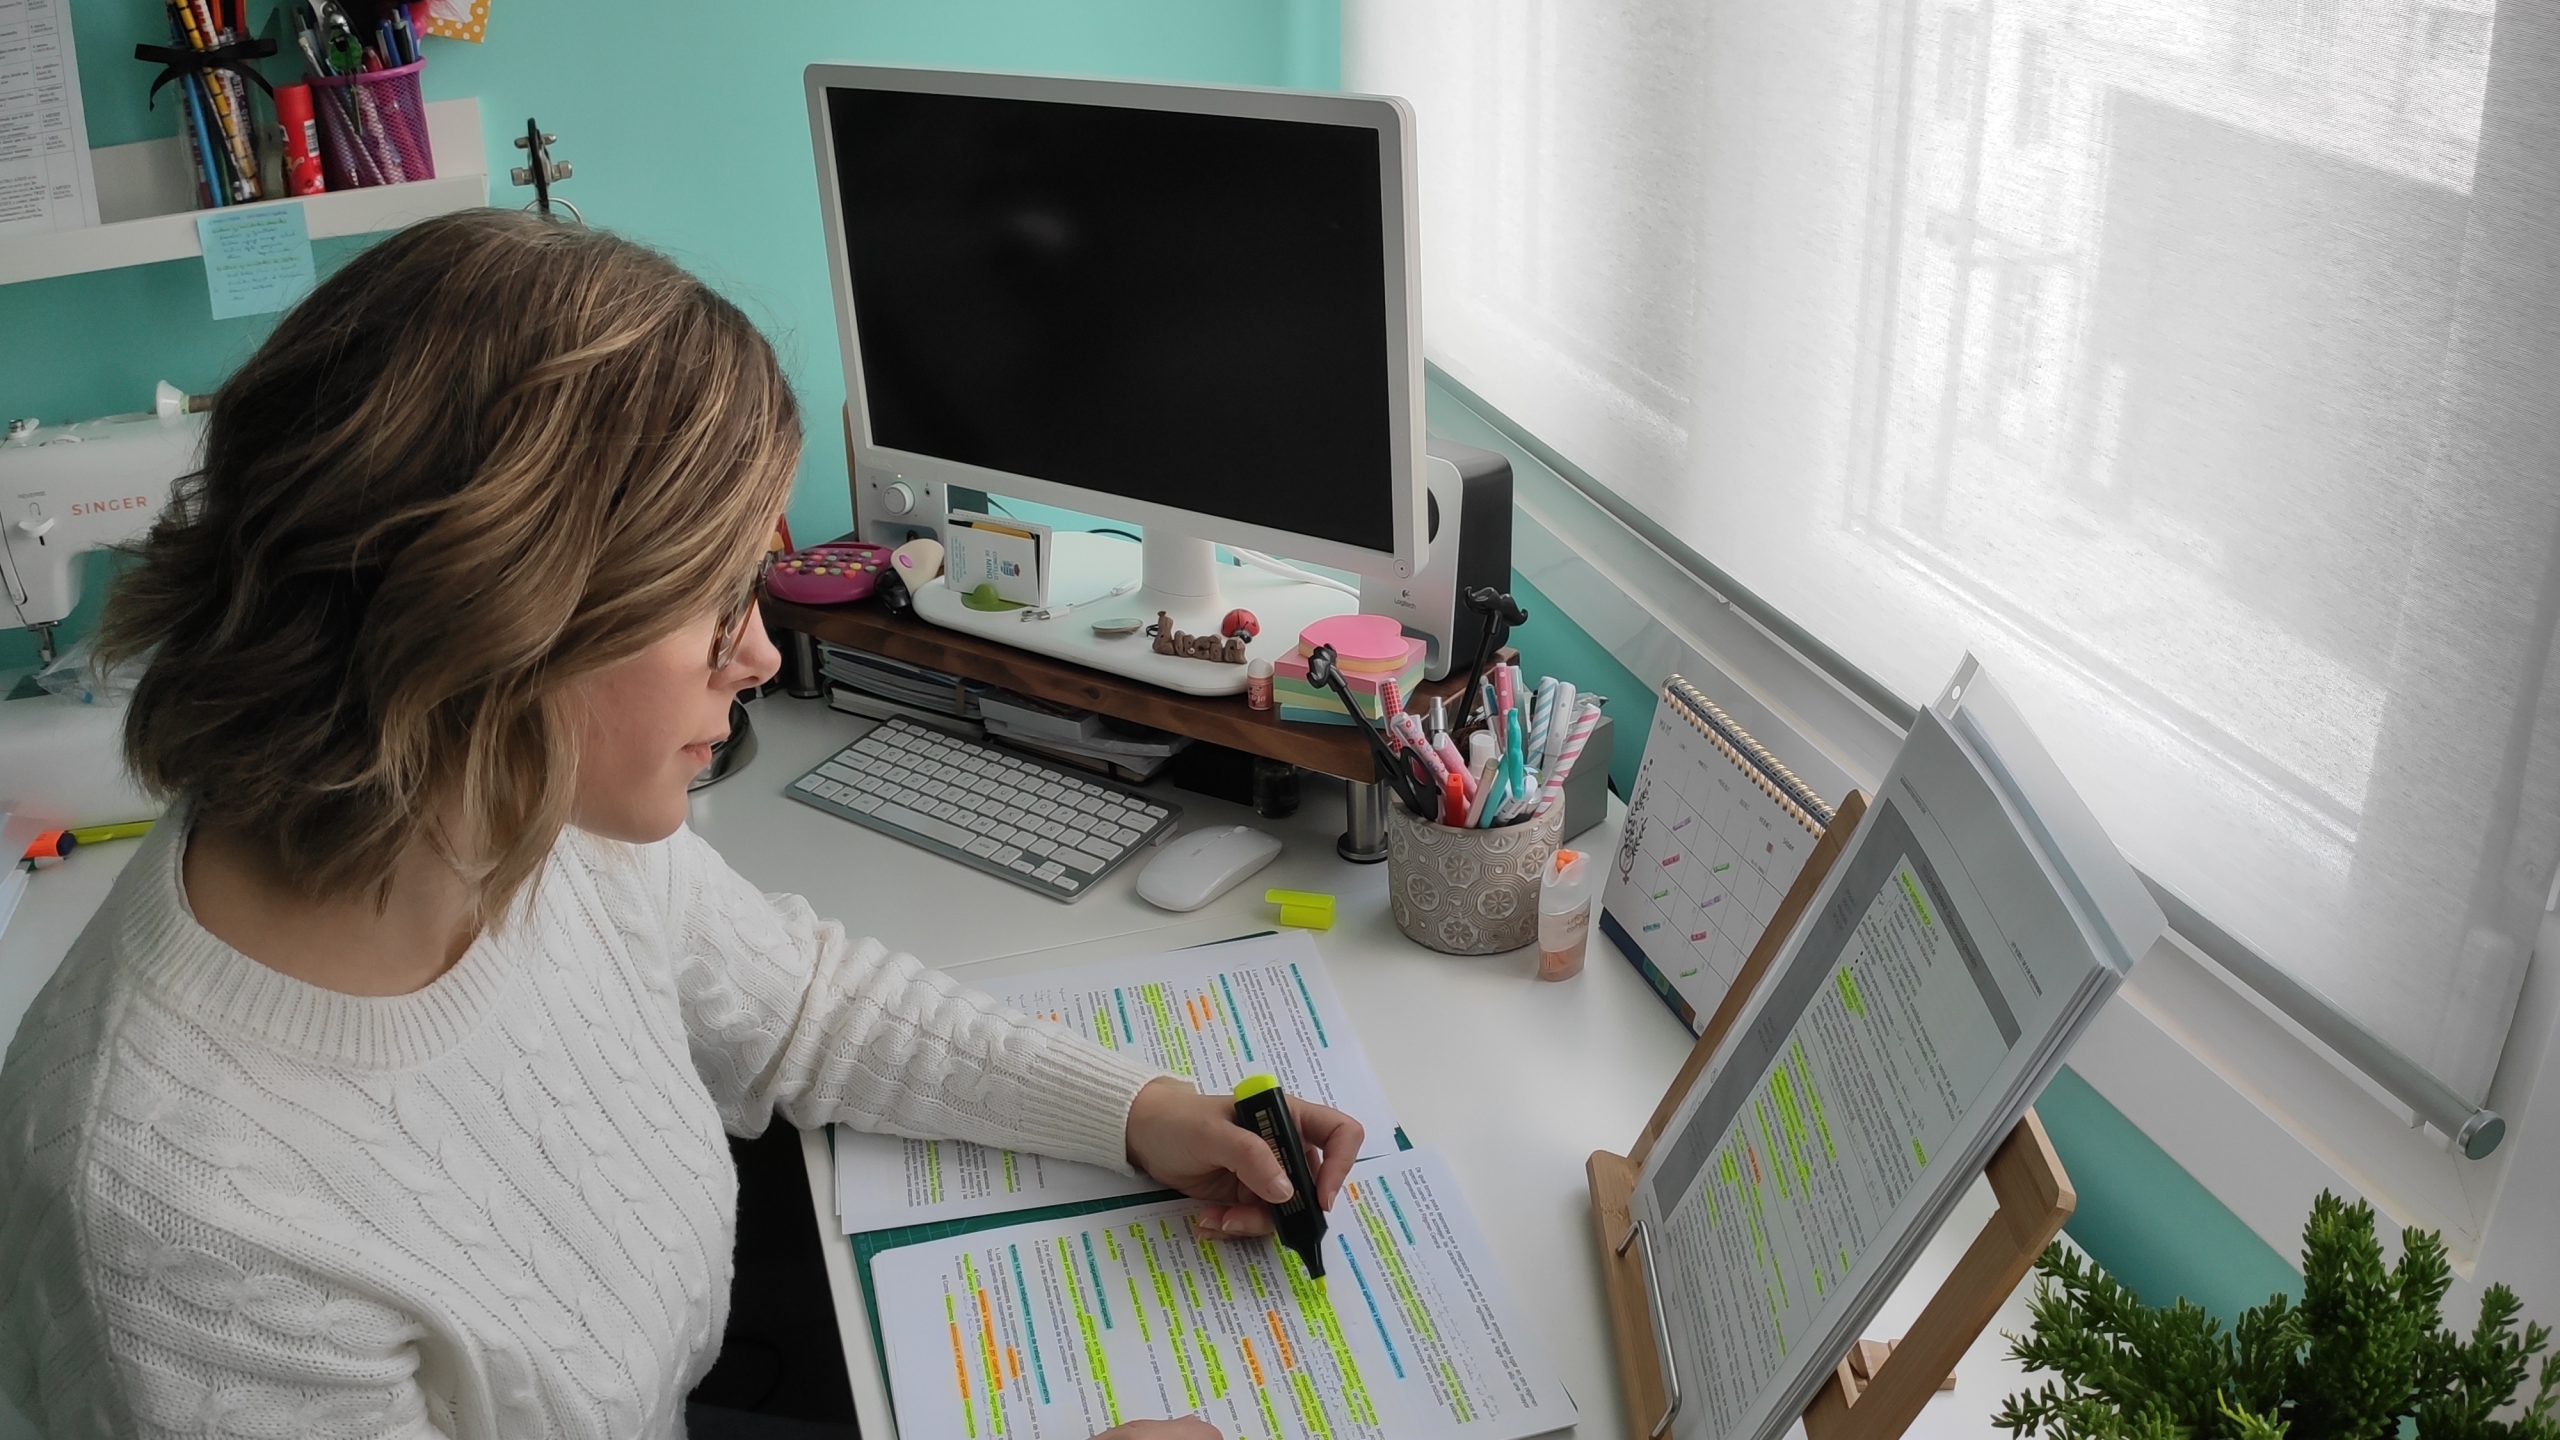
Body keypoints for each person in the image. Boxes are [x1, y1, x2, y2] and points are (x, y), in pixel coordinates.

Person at [0, 210, 1357, 1440]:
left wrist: (1145, 1110)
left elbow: (806, 1006)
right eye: (711, 605)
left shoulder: (519, 815)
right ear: (495, 622)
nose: (760, 658)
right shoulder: (181, 1225)